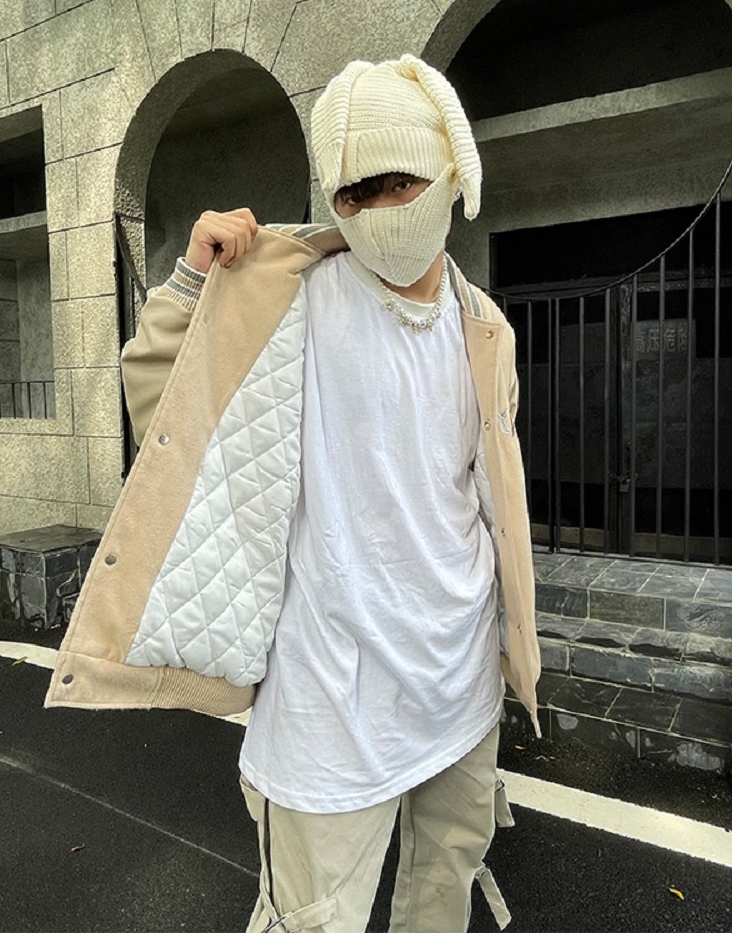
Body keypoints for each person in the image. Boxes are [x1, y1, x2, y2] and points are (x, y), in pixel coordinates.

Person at [45, 55, 540, 933]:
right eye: (352, 192)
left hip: (459, 686)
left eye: (398, 183)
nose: (375, 210)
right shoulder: (287, 296)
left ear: (450, 173)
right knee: (311, 919)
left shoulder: (484, 327)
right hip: (327, 708)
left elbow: (482, 499)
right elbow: (165, 415)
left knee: (444, 894)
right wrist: (191, 284)